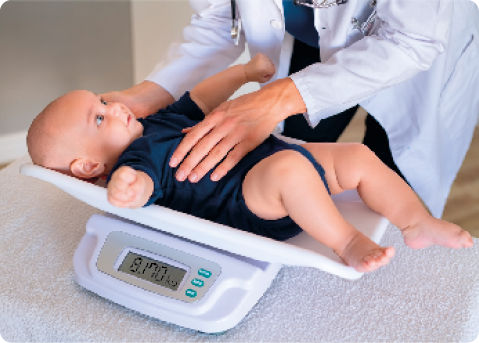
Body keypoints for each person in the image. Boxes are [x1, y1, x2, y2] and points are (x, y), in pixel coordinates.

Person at [27, 54, 473, 274]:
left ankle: (415, 221)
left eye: (103, 99)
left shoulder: (155, 124)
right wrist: (126, 185)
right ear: (87, 167)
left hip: (270, 157)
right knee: (291, 173)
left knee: (357, 155)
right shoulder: (136, 158)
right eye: (99, 117)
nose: (115, 106)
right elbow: (141, 187)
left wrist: (241, 74)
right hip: (248, 201)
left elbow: (199, 99)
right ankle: (346, 242)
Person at [102, 0, 479, 219]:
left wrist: (277, 96)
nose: (104, 112)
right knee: (300, 163)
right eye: (96, 114)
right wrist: (147, 95)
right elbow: (219, 20)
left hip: (418, 56)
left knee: (397, 185)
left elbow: (411, 41)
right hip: (307, 38)